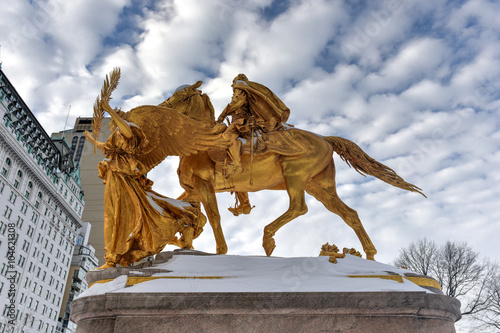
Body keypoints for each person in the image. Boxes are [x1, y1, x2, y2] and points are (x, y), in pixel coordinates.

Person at [84, 102, 205, 269]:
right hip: (115, 176)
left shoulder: (130, 129)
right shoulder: (116, 136)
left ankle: (113, 257)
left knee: (119, 217)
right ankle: (111, 258)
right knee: (113, 216)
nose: (111, 123)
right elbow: (105, 147)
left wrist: (111, 110)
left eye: (115, 119)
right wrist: (91, 139)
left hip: (123, 178)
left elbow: (126, 132)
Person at [217, 74, 291, 216]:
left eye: (233, 84)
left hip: (242, 123)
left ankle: (237, 163)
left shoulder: (240, 90)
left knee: (227, 138)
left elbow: (236, 104)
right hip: (242, 122)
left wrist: (222, 115)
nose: (233, 87)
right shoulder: (246, 91)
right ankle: (244, 203)